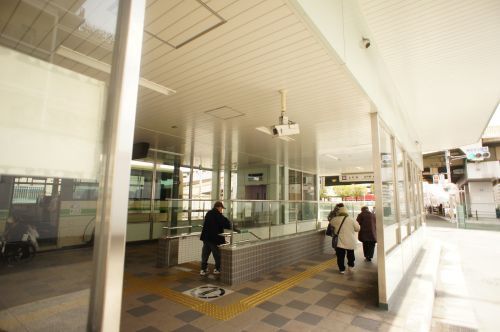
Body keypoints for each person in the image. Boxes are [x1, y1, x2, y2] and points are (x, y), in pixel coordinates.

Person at [199, 201, 235, 276]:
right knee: (217, 254)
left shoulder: (209, 213)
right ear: (218, 207)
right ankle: (217, 269)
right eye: (221, 208)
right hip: (214, 239)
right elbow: (225, 223)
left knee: (205, 254)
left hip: (206, 238)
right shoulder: (217, 215)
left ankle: (203, 269)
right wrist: (233, 227)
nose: (222, 210)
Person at [330, 206, 360, 274]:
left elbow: (331, 224)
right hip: (350, 241)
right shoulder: (351, 219)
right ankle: (350, 266)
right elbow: (357, 229)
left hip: (339, 242)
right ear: (347, 212)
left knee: (340, 256)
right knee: (350, 254)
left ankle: (342, 269)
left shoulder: (334, 219)